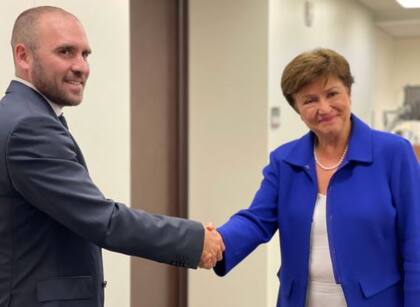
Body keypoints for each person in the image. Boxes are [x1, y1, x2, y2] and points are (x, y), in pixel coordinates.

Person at [0, 6, 224, 307]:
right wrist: (196, 241)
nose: (82, 67)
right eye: (66, 52)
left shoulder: (19, 116)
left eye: (85, 54)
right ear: (23, 56)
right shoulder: (29, 126)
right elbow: (104, 221)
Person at [213, 48, 420, 306]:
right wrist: (217, 241)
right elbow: (257, 220)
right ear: (297, 109)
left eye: (332, 94)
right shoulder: (285, 160)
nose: (324, 108)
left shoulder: (393, 153)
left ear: (349, 93)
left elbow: (415, 240)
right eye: (309, 100)